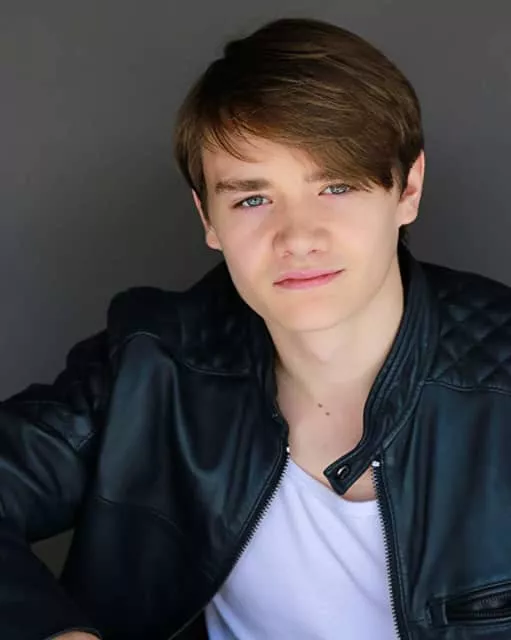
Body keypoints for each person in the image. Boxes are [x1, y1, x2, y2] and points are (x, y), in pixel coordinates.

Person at [2, 15, 511, 640]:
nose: (297, 237)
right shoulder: (150, 365)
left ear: (408, 188)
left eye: (336, 186)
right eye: (252, 199)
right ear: (208, 218)